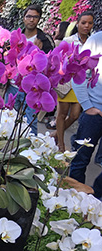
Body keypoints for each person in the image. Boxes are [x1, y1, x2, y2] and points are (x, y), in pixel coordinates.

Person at [5, 4, 54, 136]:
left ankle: (29, 150)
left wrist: (40, 51)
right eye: (29, 16)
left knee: (30, 124)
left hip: (34, 90)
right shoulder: (13, 36)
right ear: (24, 18)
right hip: (13, 85)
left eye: (35, 17)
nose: (31, 20)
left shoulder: (45, 40)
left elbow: (52, 65)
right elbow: (6, 59)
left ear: (39, 19)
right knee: (5, 119)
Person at [53, 11, 94, 151]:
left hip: (81, 82)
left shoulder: (92, 42)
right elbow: (56, 58)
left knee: (75, 115)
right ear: (77, 24)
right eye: (83, 23)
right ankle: (61, 144)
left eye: (90, 23)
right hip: (67, 81)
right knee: (62, 113)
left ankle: (56, 133)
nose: (86, 26)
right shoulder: (69, 41)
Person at [69, 30, 102, 199]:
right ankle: (74, 197)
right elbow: (78, 73)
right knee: (81, 157)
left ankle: (96, 200)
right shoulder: (96, 40)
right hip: (95, 111)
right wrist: (87, 106)